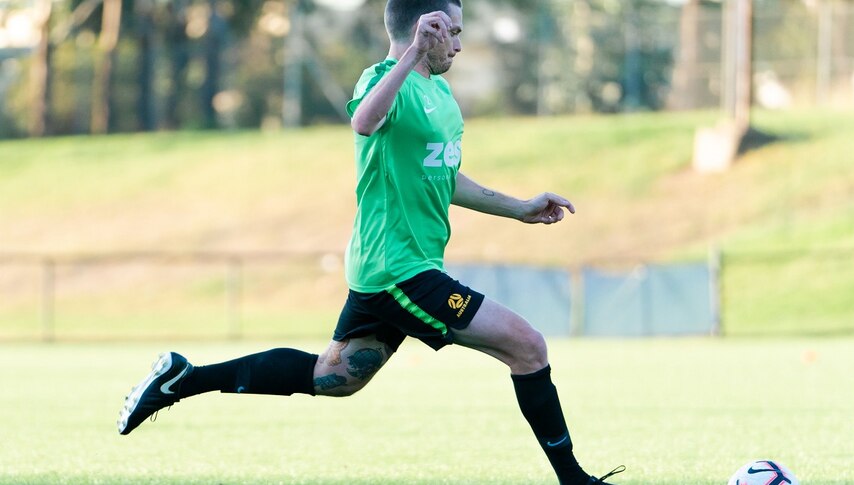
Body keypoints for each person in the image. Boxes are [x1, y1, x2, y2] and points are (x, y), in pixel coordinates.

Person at [117, 1, 624, 483]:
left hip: (398, 267)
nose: (460, 46)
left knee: (334, 378)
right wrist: (409, 54)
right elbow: (364, 122)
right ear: (427, 28)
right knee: (528, 347)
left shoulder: (441, 95)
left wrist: (518, 207)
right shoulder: (383, 79)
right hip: (398, 270)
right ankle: (573, 480)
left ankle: (183, 378)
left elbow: (444, 174)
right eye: (455, 32)